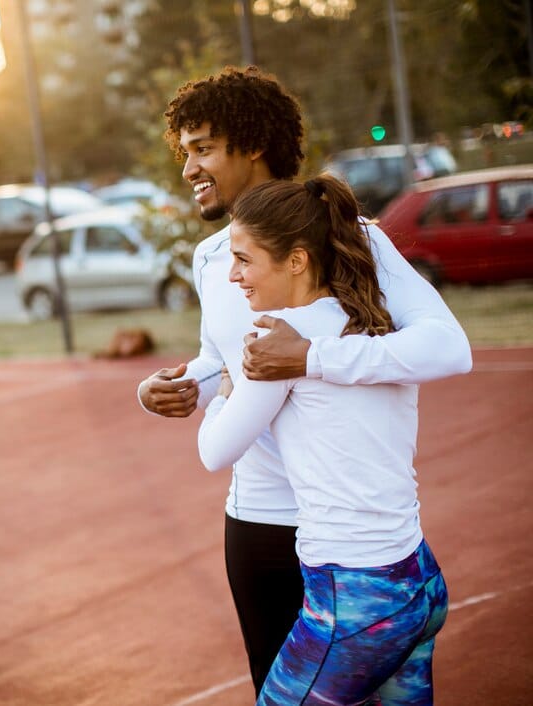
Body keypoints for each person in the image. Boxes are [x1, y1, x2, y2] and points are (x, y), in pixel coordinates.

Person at [136, 66, 472, 695]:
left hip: (356, 537)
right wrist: (185, 386)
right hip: (260, 523)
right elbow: (228, 361)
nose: (188, 169)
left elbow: (445, 346)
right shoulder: (213, 258)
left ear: (253, 143)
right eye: (184, 152)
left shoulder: (353, 239)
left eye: (203, 148)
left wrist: (311, 358)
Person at [198, 174, 449, 703]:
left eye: (244, 259)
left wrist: (223, 389)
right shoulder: (377, 321)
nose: (232, 276)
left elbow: (214, 452)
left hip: (353, 600)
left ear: (296, 260)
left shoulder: (278, 345)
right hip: (418, 580)